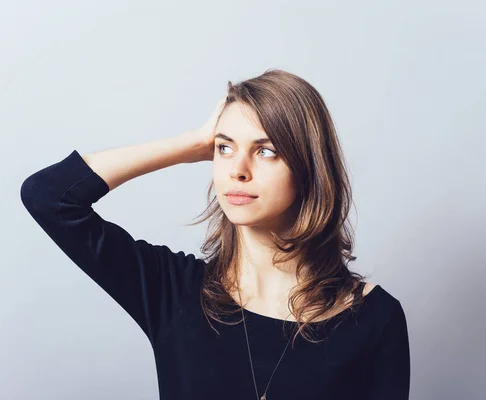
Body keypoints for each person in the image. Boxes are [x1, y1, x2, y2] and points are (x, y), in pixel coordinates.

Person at [20, 69, 411, 399]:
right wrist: (191, 144)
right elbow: (49, 197)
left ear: (309, 167)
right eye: (225, 148)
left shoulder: (376, 319)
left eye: (267, 151)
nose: (237, 169)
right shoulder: (172, 292)